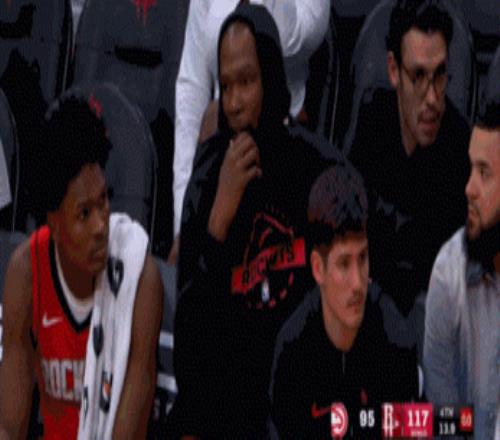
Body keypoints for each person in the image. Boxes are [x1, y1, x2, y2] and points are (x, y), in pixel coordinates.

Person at [168, 4, 339, 438]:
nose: (234, 103)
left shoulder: (317, 170)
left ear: (272, 78)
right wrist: (217, 223)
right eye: (226, 86)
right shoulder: (208, 177)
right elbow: (190, 346)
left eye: (246, 82)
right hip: (224, 403)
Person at [0, 96, 163, 439]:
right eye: (84, 214)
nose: (101, 225)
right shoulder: (26, 274)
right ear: (54, 223)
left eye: (103, 201)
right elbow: (9, 427)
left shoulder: (139, 280)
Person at [348, 0, 470, 357]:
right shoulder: (371, 118)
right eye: (418, 76)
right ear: (393, 70)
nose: (432, 98)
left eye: (440, 75)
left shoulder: (460, 147)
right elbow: (347, 221)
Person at [171, 0, 330, 260]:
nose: (235, 99)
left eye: (244, 82)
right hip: (220, 151)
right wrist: (184, 220)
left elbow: (290, 38)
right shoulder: (208, 168)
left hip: (285, 158)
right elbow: (192, 89)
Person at [268, 164, 419, 438]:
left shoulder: (395, 341)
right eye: (344, 264)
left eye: (363, 258)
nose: (358, 283)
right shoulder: (293, 351)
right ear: (318, 269)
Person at [424, 93, 500, 440]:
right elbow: (445, 424)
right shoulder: (448, 272)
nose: (469, 188)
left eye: (484, 173)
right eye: (471, 168)